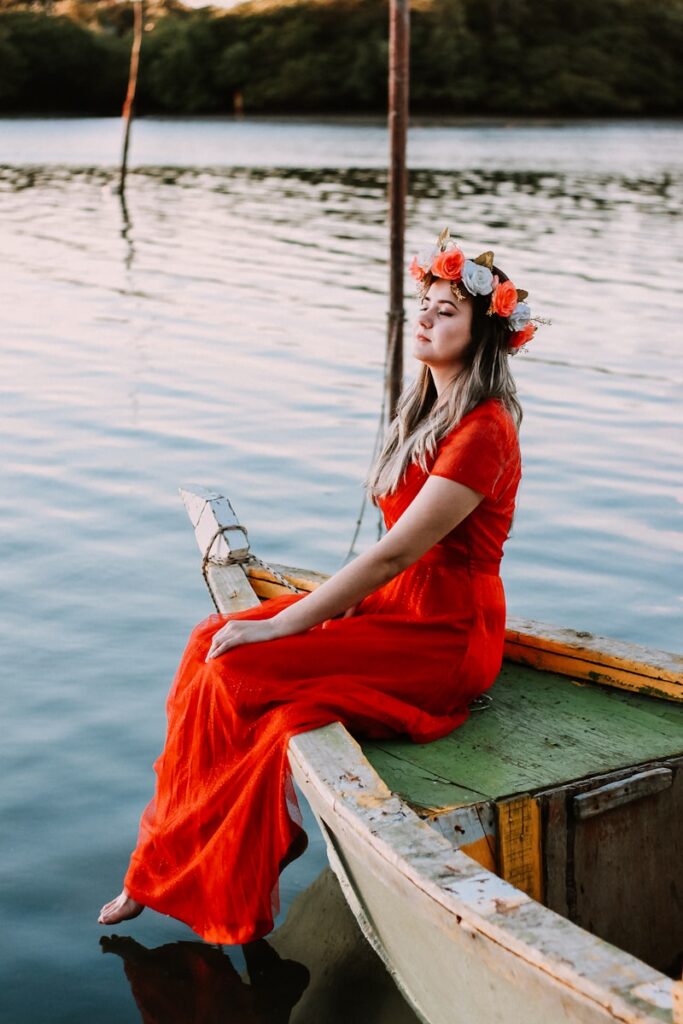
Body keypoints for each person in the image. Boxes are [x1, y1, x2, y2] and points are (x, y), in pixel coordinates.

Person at [98, 228, 538, 944]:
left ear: (483, 336)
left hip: (443, 635)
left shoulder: (483, 430)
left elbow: (395, 555)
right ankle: (158, 862)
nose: (423, 317)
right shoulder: (429, 411)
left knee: (236, 671)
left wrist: (282, 622)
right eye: (422, 303)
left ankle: (211, 872)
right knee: (207, 642)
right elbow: (392, 568)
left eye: (446, 310)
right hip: (400, 611)